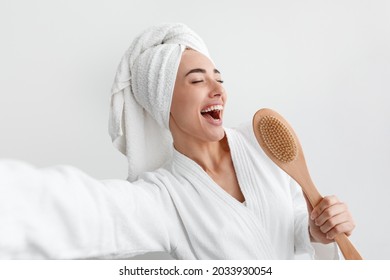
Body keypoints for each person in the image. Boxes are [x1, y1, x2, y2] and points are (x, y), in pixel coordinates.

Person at [0, 23, 355, 259]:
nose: (218, 89)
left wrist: (315, 230)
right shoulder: (164, 198)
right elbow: (85, 210)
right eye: (198, 81)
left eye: (219, 77)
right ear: (163, 99)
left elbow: (293, 221)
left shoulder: (262, 141)